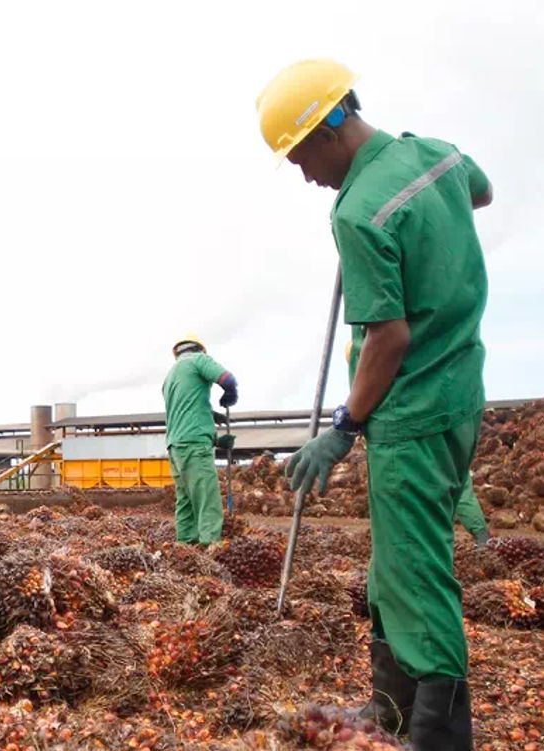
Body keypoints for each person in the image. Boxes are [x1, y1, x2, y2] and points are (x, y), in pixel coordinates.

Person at [258, 60, 492, 750]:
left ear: (331, 127)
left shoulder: (358, 212)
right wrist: (425, 229)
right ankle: (391, 709)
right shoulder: (436, 156)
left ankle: (440, 734)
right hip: (458, 394)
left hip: (410, 411)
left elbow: (388, 336)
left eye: (301, 156)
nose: (304, 175)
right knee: (393, 564)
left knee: (416, 572)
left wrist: (343, 426)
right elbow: (479, 191)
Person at [346, 340, 491, 547]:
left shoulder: (369, 348)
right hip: (439, 414)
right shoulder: (438, 345)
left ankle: (464, 537)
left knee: (415, 490)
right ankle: (475, 535)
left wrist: (356, 420)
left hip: (405, 427)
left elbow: (366, 390)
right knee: (452, 482)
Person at [161, 334, 237, 546]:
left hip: (175, 447)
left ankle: (185, 548)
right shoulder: (198, 360)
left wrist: (213, 427)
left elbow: (187, 409)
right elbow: (227, 379)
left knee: (185, 500)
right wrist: (230, 393)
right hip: (194, 444)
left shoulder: (170, 376)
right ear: (199, 350)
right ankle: (210, 546)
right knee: (207, 499)